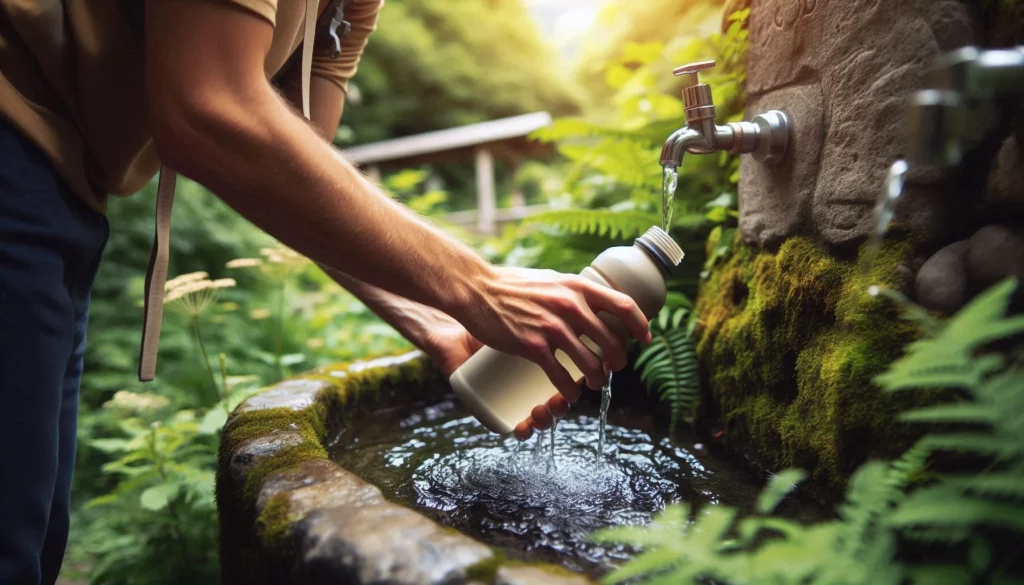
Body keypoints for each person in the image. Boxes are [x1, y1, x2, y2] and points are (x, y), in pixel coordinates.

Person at [0, 0, 652, 582]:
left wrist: (437, 322)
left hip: (68, 196)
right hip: (15, 144)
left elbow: (291, 174)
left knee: (34, 538)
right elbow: (209, 106)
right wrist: (478, 284)